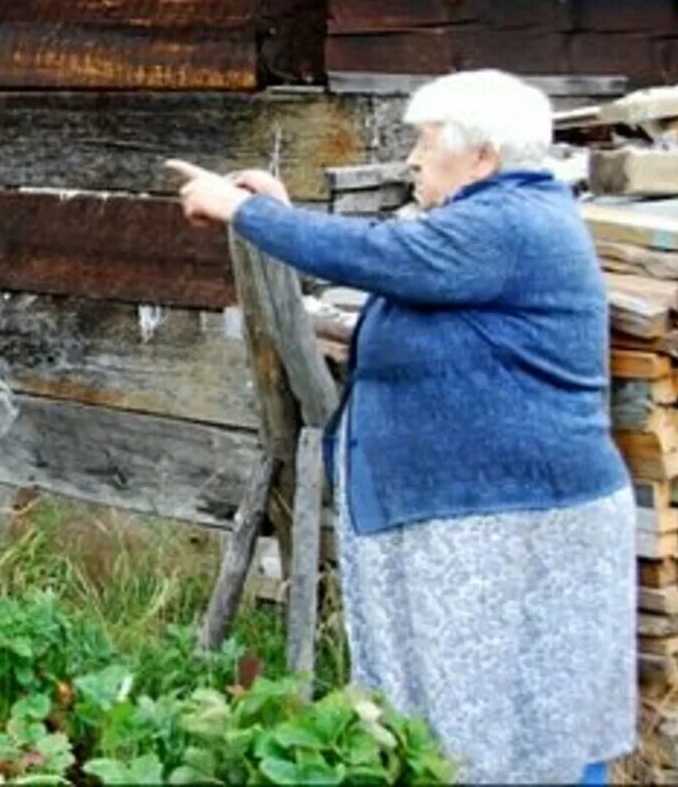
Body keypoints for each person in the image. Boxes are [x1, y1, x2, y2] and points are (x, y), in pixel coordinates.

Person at [168, 70, 635, 786]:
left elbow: (381, 257)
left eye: (425, 140)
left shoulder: (511, 222)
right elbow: (389, 263)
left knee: (512, 728)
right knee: (464, 723)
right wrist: (285, 213)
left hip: (513, 522)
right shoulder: (487, 224)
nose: (411, 157)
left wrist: (242, 211)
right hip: (478, 516)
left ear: (481, 155)